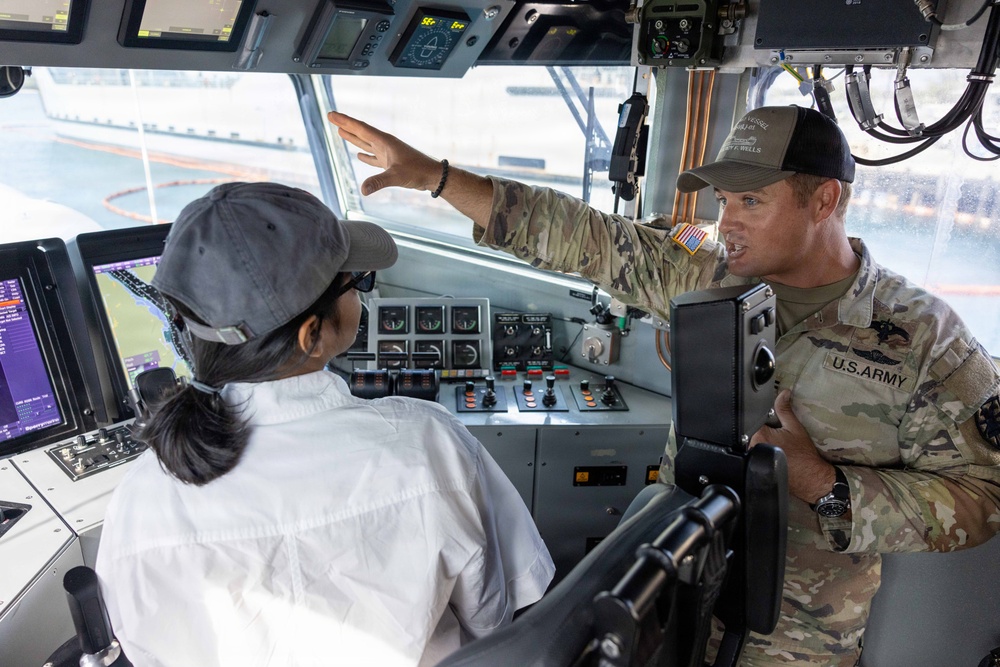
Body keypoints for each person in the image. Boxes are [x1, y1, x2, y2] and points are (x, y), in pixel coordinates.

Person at [327, 106, 1000, 666]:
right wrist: (438, 178)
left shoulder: (925, 341)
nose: (727, 222)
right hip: (672, 603)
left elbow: (984, 498)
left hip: (798, 643)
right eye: (724, 200)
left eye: (752, 201)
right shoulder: (704, 275)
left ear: (824, 199)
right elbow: (582, 237)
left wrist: (821, 482)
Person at [95, 182, 555, 667]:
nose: (361, 291)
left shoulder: (141, 497)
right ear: (311, 335)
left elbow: (144, 648)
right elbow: (495, 620)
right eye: (354, 283)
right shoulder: (431, 446)